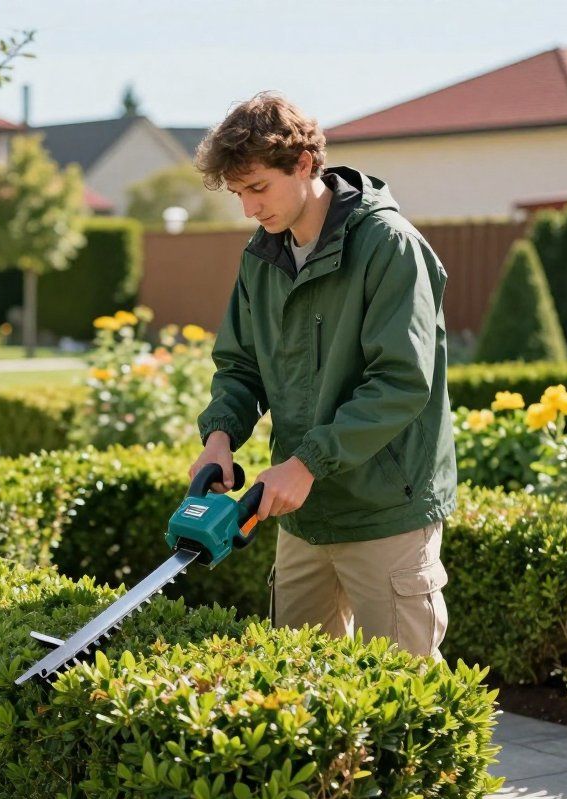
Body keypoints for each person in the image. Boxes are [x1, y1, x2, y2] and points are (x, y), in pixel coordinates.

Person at [188, 92, 457, 661]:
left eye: (258, 188)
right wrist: (219, 440)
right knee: (298, 694)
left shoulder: (389, 246)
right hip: (302, 519)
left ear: (306, 164)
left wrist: (306, 461)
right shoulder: (261, 257)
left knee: (404, 702)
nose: (248, 209)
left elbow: (401, 382)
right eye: (238, 194)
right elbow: (240, 366)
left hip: (385, 511)